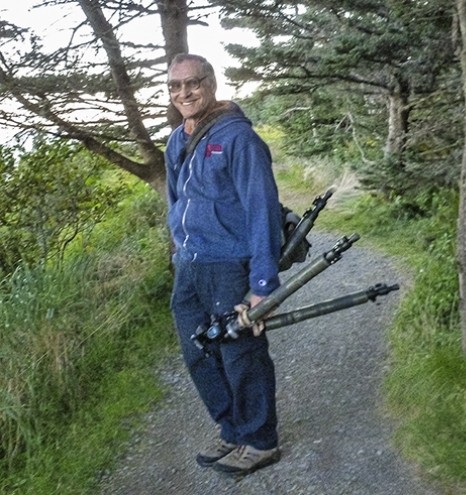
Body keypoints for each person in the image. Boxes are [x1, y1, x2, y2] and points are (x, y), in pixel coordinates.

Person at [165, 53, 282, 477]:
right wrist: (178, 246)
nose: (184, 93)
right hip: (190, 265)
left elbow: (261, 210)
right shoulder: (177, 140)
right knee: (198, 351)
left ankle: (260, 440)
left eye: (192, 83)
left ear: (211, 83)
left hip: (230, 264)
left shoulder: (238, 138)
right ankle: (233, 429)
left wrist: (262, 285)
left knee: (240, 352)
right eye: (175, 86)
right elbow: (175, 200)